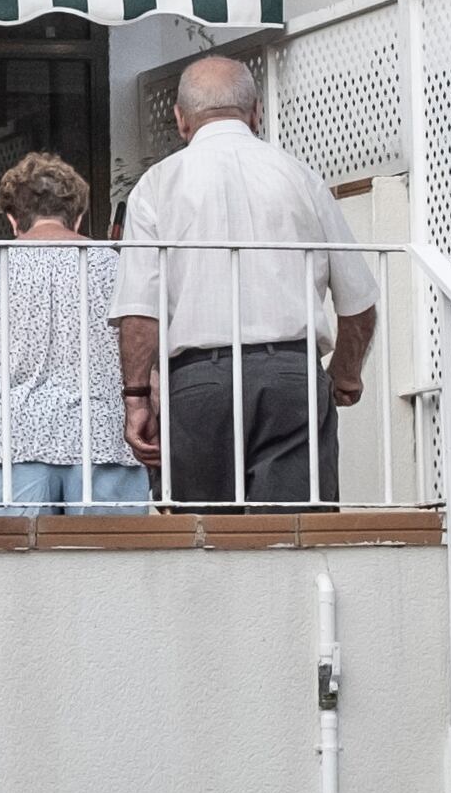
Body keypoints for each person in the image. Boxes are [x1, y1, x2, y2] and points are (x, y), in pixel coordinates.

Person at [109, 55, 379, 509]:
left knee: (204, 541)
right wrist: (344, 373)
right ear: (256, 113)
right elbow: (359, 303)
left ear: (180, 119)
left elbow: (140, 311)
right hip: (291, 376)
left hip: (197, 383)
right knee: (294, 535)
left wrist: (136, 398)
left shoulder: (157, 185)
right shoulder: (301, 177)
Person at [0, 152, 155, 510]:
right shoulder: (113, 264)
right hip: (102, 439)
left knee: (7, 564)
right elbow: (141, 351)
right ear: (79, 217)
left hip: (10, 442)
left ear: (12, 218)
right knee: (114, 563)